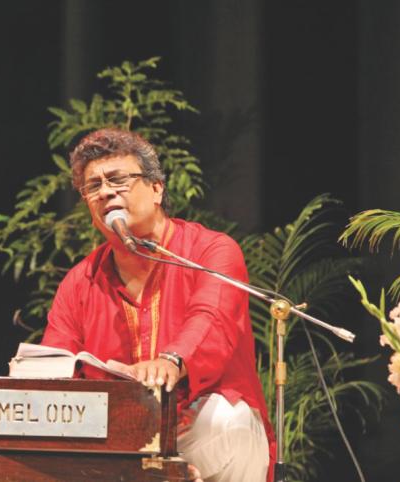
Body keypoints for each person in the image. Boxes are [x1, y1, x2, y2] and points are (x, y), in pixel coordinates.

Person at [41, 128, 273, 482]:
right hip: (117, 448)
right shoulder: (79, 282)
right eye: (94, 186)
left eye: (117, 180)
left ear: (156, 189)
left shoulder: (211, 252)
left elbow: (211, 318)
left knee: (232, 422)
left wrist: (171, 360)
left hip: (198, 431)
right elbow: (54, 366)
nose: (105, 192)